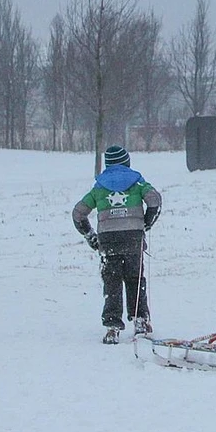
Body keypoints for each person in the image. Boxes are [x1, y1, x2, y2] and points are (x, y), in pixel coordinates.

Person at [72, 145, 162, 344]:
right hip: (133, 238)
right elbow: (155, 199)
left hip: (108, 241)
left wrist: (91, 236)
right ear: (126, 162)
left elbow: (78, 213)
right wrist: (146, 222)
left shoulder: (99, 187)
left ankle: (112, 327)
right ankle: (140, 321)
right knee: (135, 278)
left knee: (112, 283)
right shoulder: (137, 183)